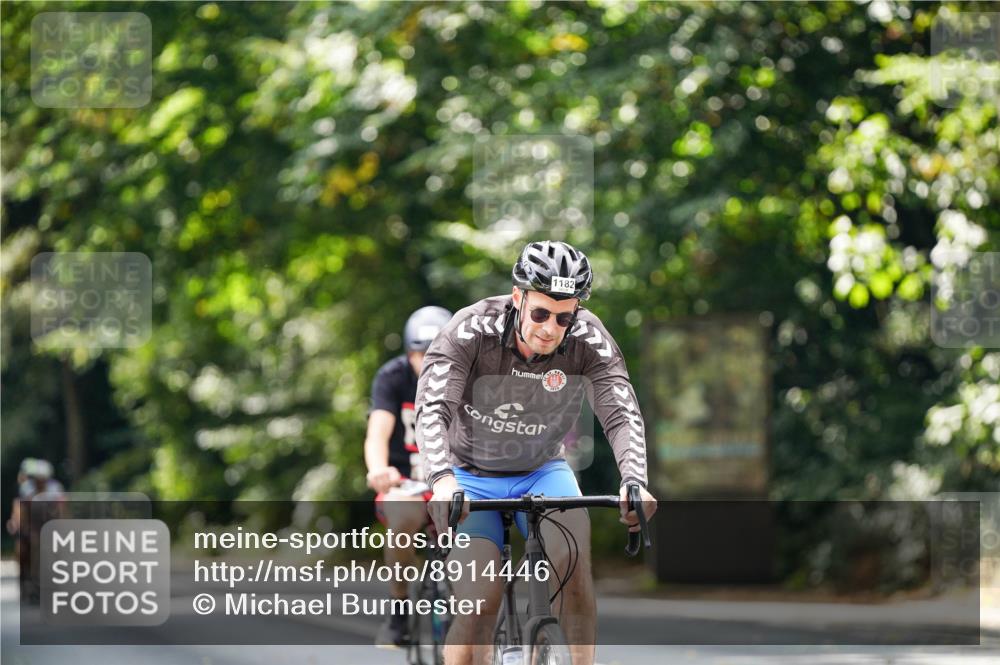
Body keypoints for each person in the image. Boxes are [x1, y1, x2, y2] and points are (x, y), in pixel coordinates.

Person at [414, 240, 658, 665]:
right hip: (468, 475)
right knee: (478, 602)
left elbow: (620, 412)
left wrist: (634, 480)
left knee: (574, 562)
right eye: (540, 313)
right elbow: (432, 409)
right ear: (517, 298)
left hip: (542, 469)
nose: (550, 327)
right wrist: (442, 479)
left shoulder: (589, 337)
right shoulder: (470, 330)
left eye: (564, 317)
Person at [366, 305, 454, 647]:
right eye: (421, 354)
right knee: (401, 518)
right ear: (409, 354)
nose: (429, 363)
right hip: (408, 482)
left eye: (438, 354)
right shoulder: (393, 377)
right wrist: (378, 469)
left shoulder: (468, 377)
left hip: (456, 480)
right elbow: (377, 432)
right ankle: (399, 607)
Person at [6, 458, 66, 602]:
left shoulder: (55, 489)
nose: (38, 481)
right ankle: (26, 582)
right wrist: (17, 524)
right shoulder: (27, 488)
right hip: (31, 527)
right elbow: (21, 509)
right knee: (22, 551)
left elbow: (62, 511)